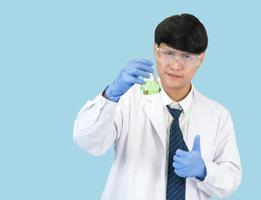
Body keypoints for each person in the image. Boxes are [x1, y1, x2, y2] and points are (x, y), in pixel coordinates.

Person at [73, 13, 242, 200]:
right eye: (169, 53)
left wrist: (204, 171)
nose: (176, 65)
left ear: (200, 59)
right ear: (155, 50)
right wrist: (110, 95)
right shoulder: (127, 100)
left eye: (186, 56)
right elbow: (87, 141)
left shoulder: (217, 115)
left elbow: (231, 179)